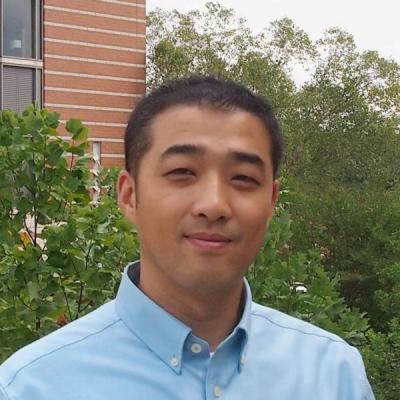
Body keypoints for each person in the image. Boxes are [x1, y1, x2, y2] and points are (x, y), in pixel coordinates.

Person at [0, 76, 375, 399]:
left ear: (271, 201)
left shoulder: (332, 375)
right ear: (129, 196)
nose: (213, 205)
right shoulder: (33, 386)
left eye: (243, 178)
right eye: (182, 171)